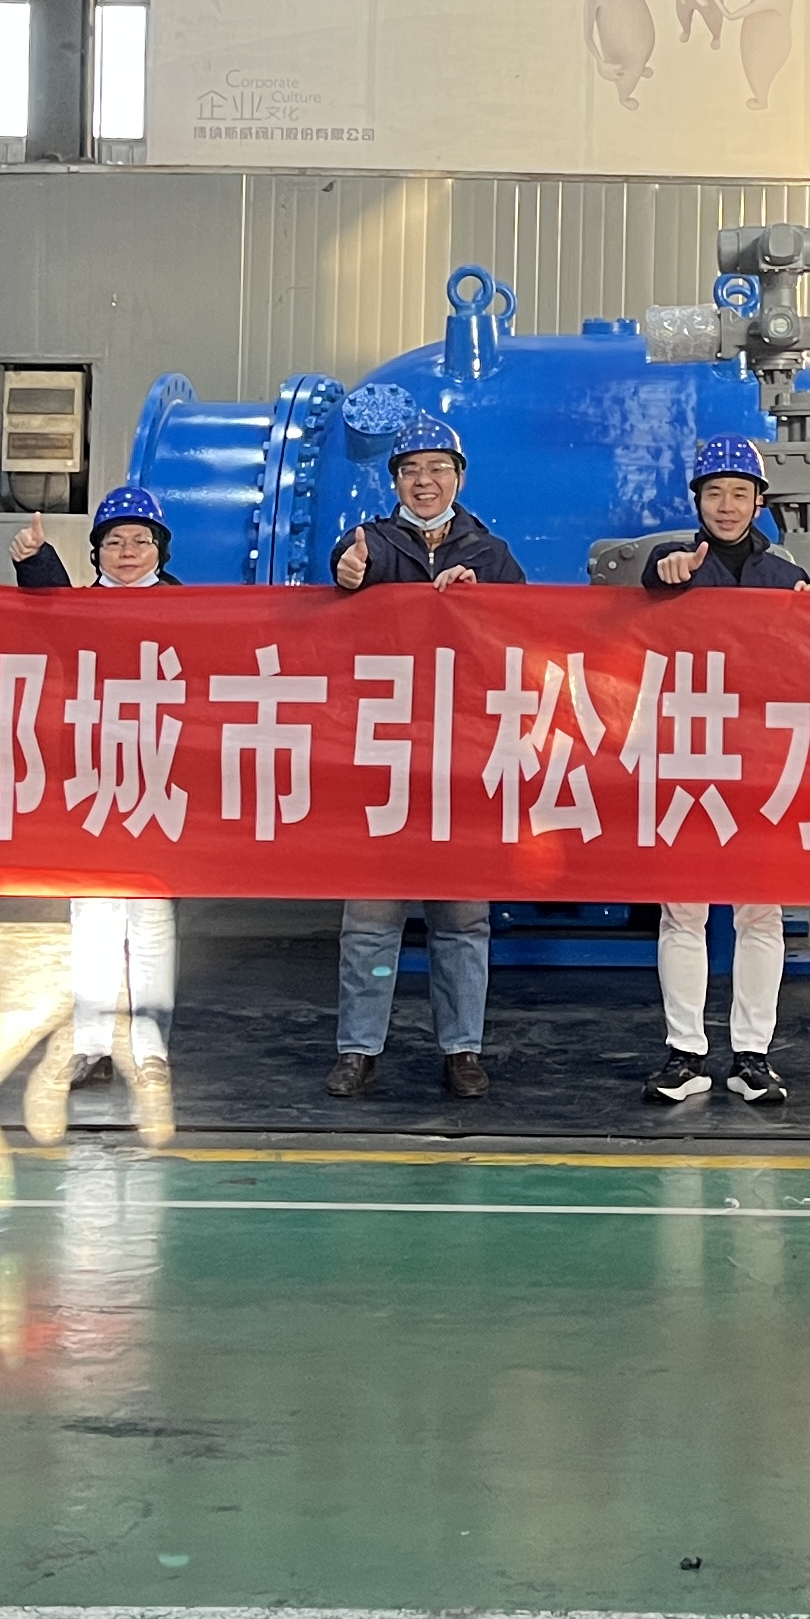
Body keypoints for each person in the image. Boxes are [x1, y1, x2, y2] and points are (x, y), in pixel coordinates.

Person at [328, 415, 517, 1103]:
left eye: (438, 468)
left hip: (461, 762)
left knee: (463, 921)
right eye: (410, 470)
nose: (424, 481)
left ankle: (462, 1049)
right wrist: (348, 576)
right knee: (369, 920)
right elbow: (339, 598)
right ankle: (358, 1049)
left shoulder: (492, 555)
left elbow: (524, 640)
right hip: (384, 760)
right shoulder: (369, 545)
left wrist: (484, 606)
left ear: (459, 478)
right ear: (394, 482)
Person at [9, 482, 187, 1144]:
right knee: (90, 914)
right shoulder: (78, 605)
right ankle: (90, 1044)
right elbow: (47, 617)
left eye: (141, 540)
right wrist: (35, 564)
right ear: (97, 552)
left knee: (151, 918)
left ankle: (149, 1047)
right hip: (89, 778)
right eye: (115, 541)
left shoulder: (196, 612)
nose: (128, 551)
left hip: (160, 777)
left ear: (161, 548)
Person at [639, 435, 810, 1108]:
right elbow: (648, 592)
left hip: (760, 762)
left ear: (759, 502)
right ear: (698, 502)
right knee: (682, 908)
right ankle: (684, 1053)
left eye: (741, 493)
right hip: (688, 755)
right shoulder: (673, 563)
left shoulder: (784, 578)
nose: (728, 505)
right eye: (715, 493)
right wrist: (669, 575)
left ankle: (752, 1056)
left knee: (760, 911)